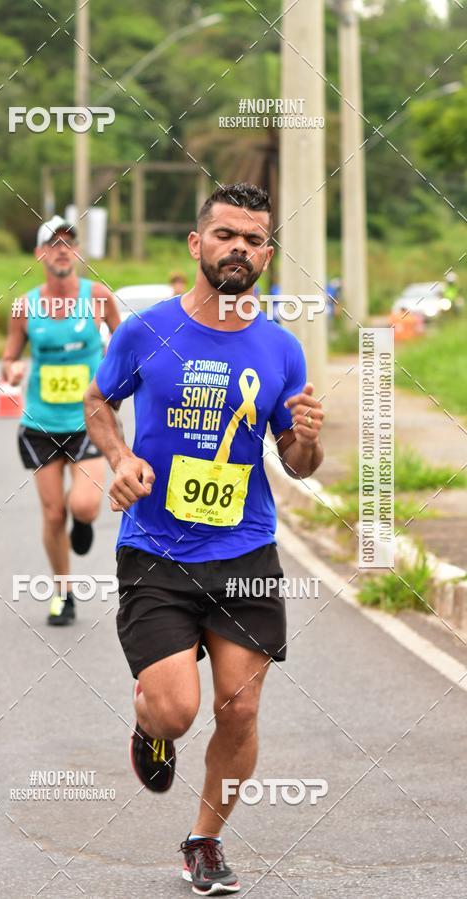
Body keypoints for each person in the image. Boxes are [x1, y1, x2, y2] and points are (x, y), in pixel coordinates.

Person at [84, 183, 325, 894]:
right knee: (176, 711)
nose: (238, 248)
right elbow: (99, 400)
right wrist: (119, 458)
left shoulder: (282, 348)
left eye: (253, 239)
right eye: (225, 235)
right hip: (156, 550)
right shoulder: (145, 331)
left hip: (244, 550)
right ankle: (149, 725)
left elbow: (297, 464)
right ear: (197, 244)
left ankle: (204, 841)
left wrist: (308, 439)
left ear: (267, 255)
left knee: (240, 707)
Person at [2, 215, 121, 626]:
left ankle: (83, 523)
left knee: (84, 506)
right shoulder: (24, 307)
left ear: (78, 253)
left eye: (69, 243)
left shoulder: (98, 297)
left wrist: (117, 378)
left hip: (89, 420)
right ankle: (63, 594)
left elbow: (125, 345)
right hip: (41, 423)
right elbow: (9, 357)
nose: (62, 250)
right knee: (53, 515)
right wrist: (12, 370)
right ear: (40, 255)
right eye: (53, 244)